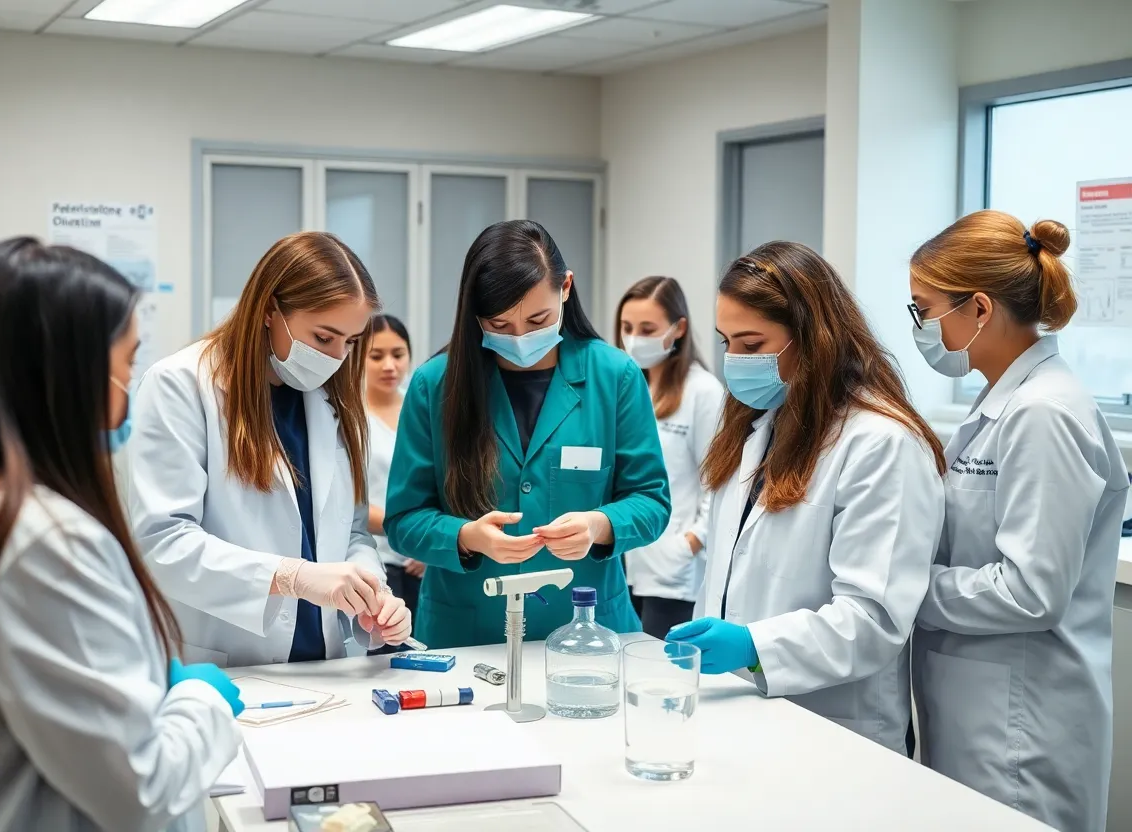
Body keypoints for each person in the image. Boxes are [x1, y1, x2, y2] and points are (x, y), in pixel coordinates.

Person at [0, 239, 241, 832]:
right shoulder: (40, 542)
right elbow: (141, 795)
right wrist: (202, 702)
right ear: (63, 376)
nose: (128, 393)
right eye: (128, 367)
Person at [667, 241, 946, 755]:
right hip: (736, 712)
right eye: (727, 341)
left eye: (752, 344)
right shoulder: (759, 430)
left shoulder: (880, 443)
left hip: (835, 730)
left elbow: (873, 619)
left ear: (813, 339)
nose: (733, 361)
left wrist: (754, 646)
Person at [909, 211, 1127, 831]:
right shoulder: (1004, 398)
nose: (921, 326)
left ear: (978, 309)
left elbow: (1030, 593)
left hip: (1023, 726)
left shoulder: (1044, 413)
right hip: (982, 709)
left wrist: (905, 585)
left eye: (924, 309)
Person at [127, 232, 411, 669]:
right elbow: (163, 543)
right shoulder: (181, 385)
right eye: (323, 337)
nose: (337, 358)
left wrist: (372, 593)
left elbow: (352, 532)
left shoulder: (329, 398)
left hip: (327, 663)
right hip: (229, 662)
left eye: (351, 342)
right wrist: (290, 577)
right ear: (268, 311)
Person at [386, 220, 671, 648]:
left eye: (538, 319)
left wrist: (601, 524)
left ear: (566, 288)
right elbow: (404, 520)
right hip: (466, 632)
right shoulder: (434, 384)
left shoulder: (615, 377)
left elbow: (651, 500)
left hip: (590, 632)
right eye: (499, 325)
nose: (520, 339)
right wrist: (465, 537)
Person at [615, 276, 723, 638]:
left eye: (647, 328)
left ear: (678, 329)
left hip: (674, 567)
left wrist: (692, 542)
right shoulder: (629, 387)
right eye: (627, 327)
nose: (634, 338)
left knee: (659, 667)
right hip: (625, 560)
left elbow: (718, 480)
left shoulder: (703, 391)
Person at [365, 313, 424, 616]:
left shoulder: (422, 410)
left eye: (398, 355)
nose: (389, 366)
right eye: (376, 356)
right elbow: (346, 501)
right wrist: (413, 532)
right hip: (372, 559)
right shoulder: (347, 418)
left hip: (420, 565)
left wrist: (430, 547)